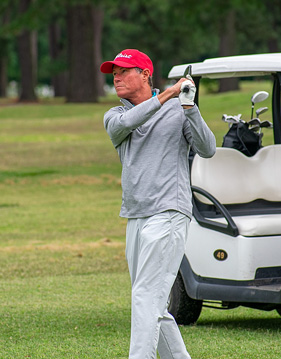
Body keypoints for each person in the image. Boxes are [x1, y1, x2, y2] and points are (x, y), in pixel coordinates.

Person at [100, 49, 216, 359]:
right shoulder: (115, 116)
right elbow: (130, 121)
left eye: (125, 71)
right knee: (154, 304)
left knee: (146, 296)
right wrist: (169, 94)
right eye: (114, 73)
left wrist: (189, 106)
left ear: (145, 74)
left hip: (168, 212)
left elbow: (207, 148)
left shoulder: (179, 109)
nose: (117, 77)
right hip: (136, 217)